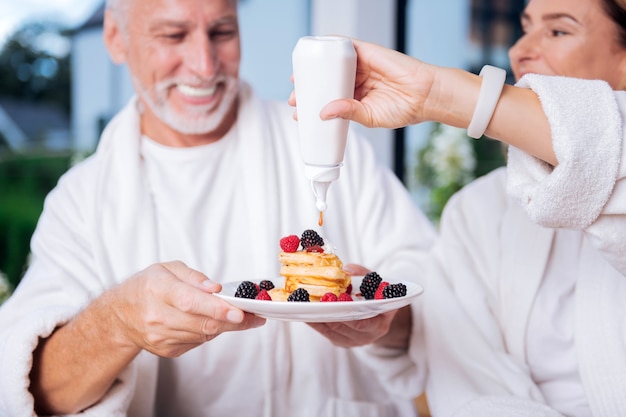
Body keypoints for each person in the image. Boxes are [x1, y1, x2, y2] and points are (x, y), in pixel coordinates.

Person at [0, 0, 436, 416]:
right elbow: (33, 390)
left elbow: (436, 301)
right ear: (115, 38)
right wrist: (118, 323)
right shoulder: (81, 200)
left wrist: (381, 319)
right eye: (173, 35)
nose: (205, 65)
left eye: (222, 32)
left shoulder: (327, 144)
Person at [291, 0, 626, 415]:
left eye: (558, 31)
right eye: (524, 26)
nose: (519, 49)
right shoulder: (477, 211)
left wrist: (443, 95)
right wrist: (383, 319)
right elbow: (467, 384)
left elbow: (609, 150)